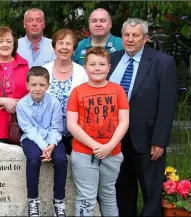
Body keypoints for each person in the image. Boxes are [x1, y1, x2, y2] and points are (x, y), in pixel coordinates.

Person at [110, 18, 177, 216]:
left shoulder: (162, 62)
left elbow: (167, 104)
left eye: (135, 35)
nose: (130, 39)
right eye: (126, 35)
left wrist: (160, 140)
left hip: (148, 140)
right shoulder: (112, 59)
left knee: (151, 191)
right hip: (116, 139)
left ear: (145, 38)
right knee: (123, 189)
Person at [67, 46, 129, 216]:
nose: (97, 68)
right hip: (84, 153)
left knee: (108, 194)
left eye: (102, 64)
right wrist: (96, 146)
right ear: (85, 67)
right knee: (86, 197)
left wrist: (109, 146)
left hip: (112, 152)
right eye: (92, 64)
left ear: (109, 67)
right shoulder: (77, 92)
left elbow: (124, 121)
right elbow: (72, 124)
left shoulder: (118, 90)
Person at [16, 66, 67, 217]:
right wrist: (44, 147)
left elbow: (56, 127)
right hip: (31, 138)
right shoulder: (22, 105)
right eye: (33, 85)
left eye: (42, 85)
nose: (38, 89)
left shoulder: (54, 103)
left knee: (60, 160)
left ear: (48, 86)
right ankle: (33, 200)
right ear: (27, 85)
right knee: (32, 159)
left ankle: (58, 200)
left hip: (52, 138)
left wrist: (51, 145)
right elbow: (29, 130)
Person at [42, 28, 88, 154]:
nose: (64, 47)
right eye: (60, 43)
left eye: (68, 44)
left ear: (74, 49)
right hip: (47, 134)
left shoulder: (83, 73)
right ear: (54, 47)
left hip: (75, 136)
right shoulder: (43, 70)